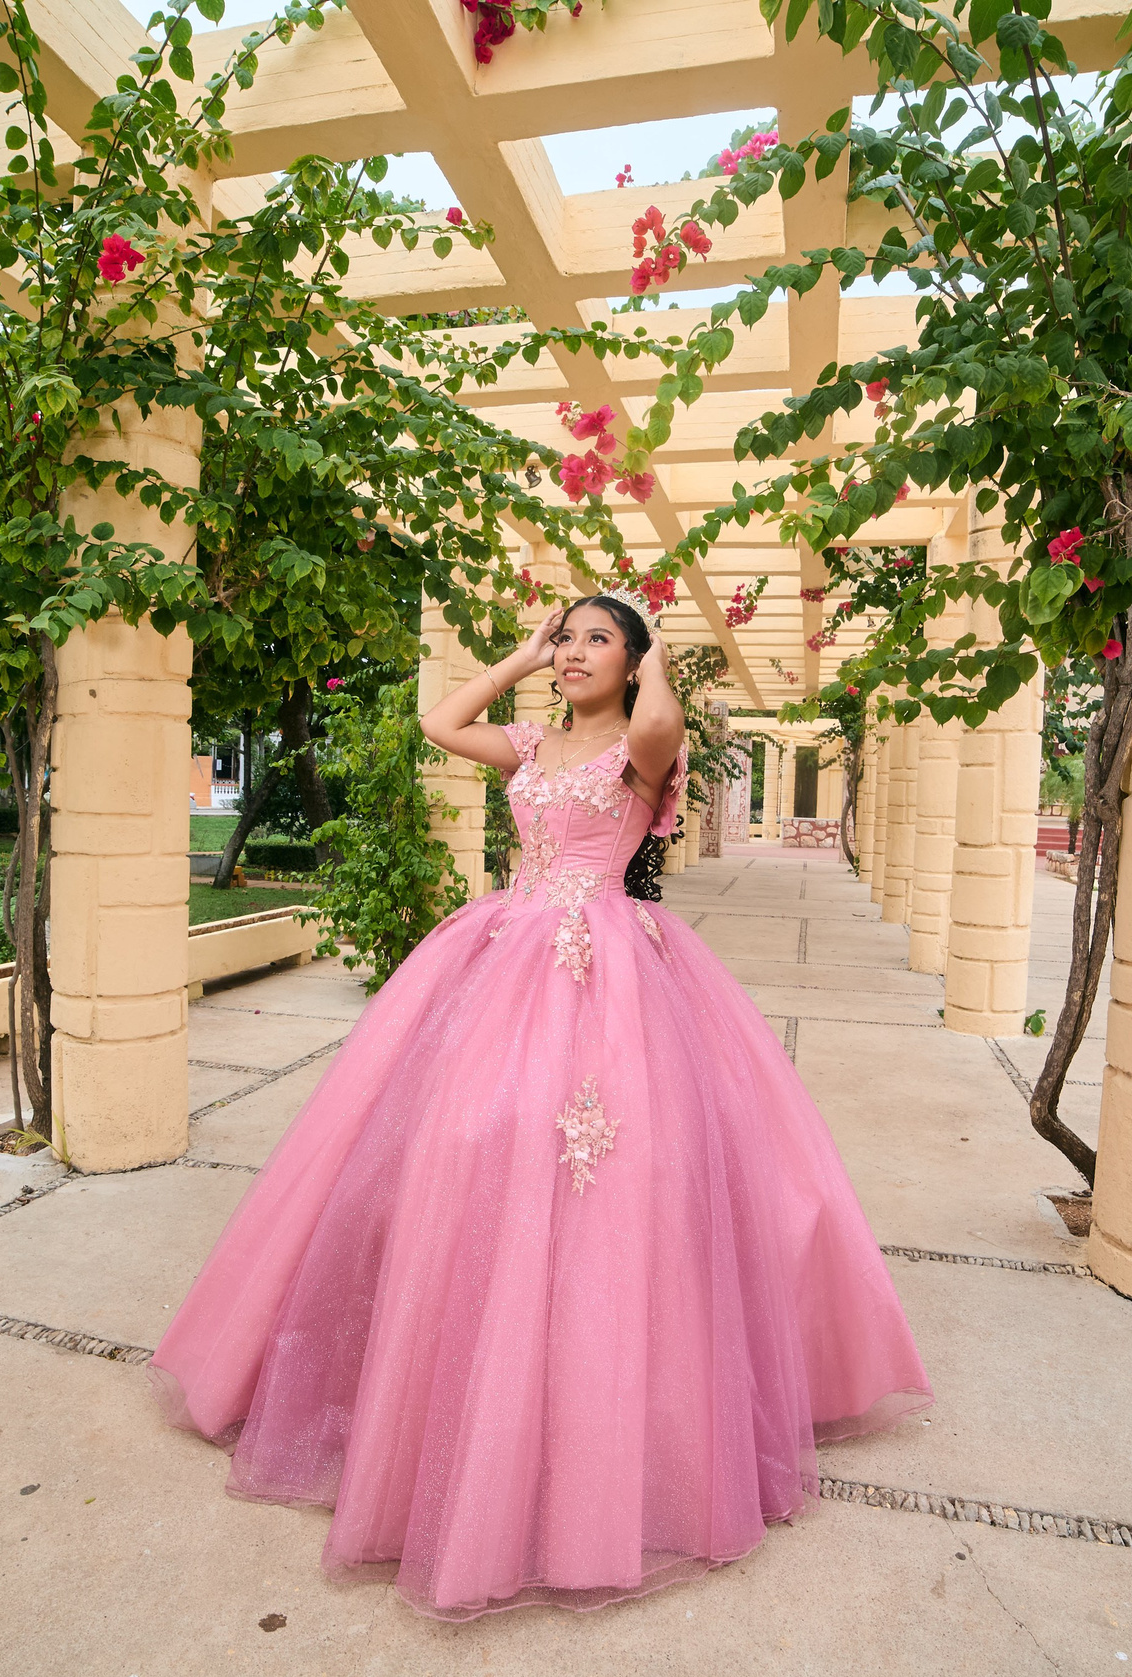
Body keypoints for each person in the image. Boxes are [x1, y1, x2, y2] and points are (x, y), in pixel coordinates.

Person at [148, 590, 931, 1621]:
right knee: (465, 1144)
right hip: (501, 953)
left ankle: (590, 1411)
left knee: (606, 1172)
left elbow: (660, 723)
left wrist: (654, 653)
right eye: (567, 636)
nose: (572, 652)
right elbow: (440, 722)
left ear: (633, 661)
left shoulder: (645, 746)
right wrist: (521, 657)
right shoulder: (528, 743)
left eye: (595, 640)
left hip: (609, 968)